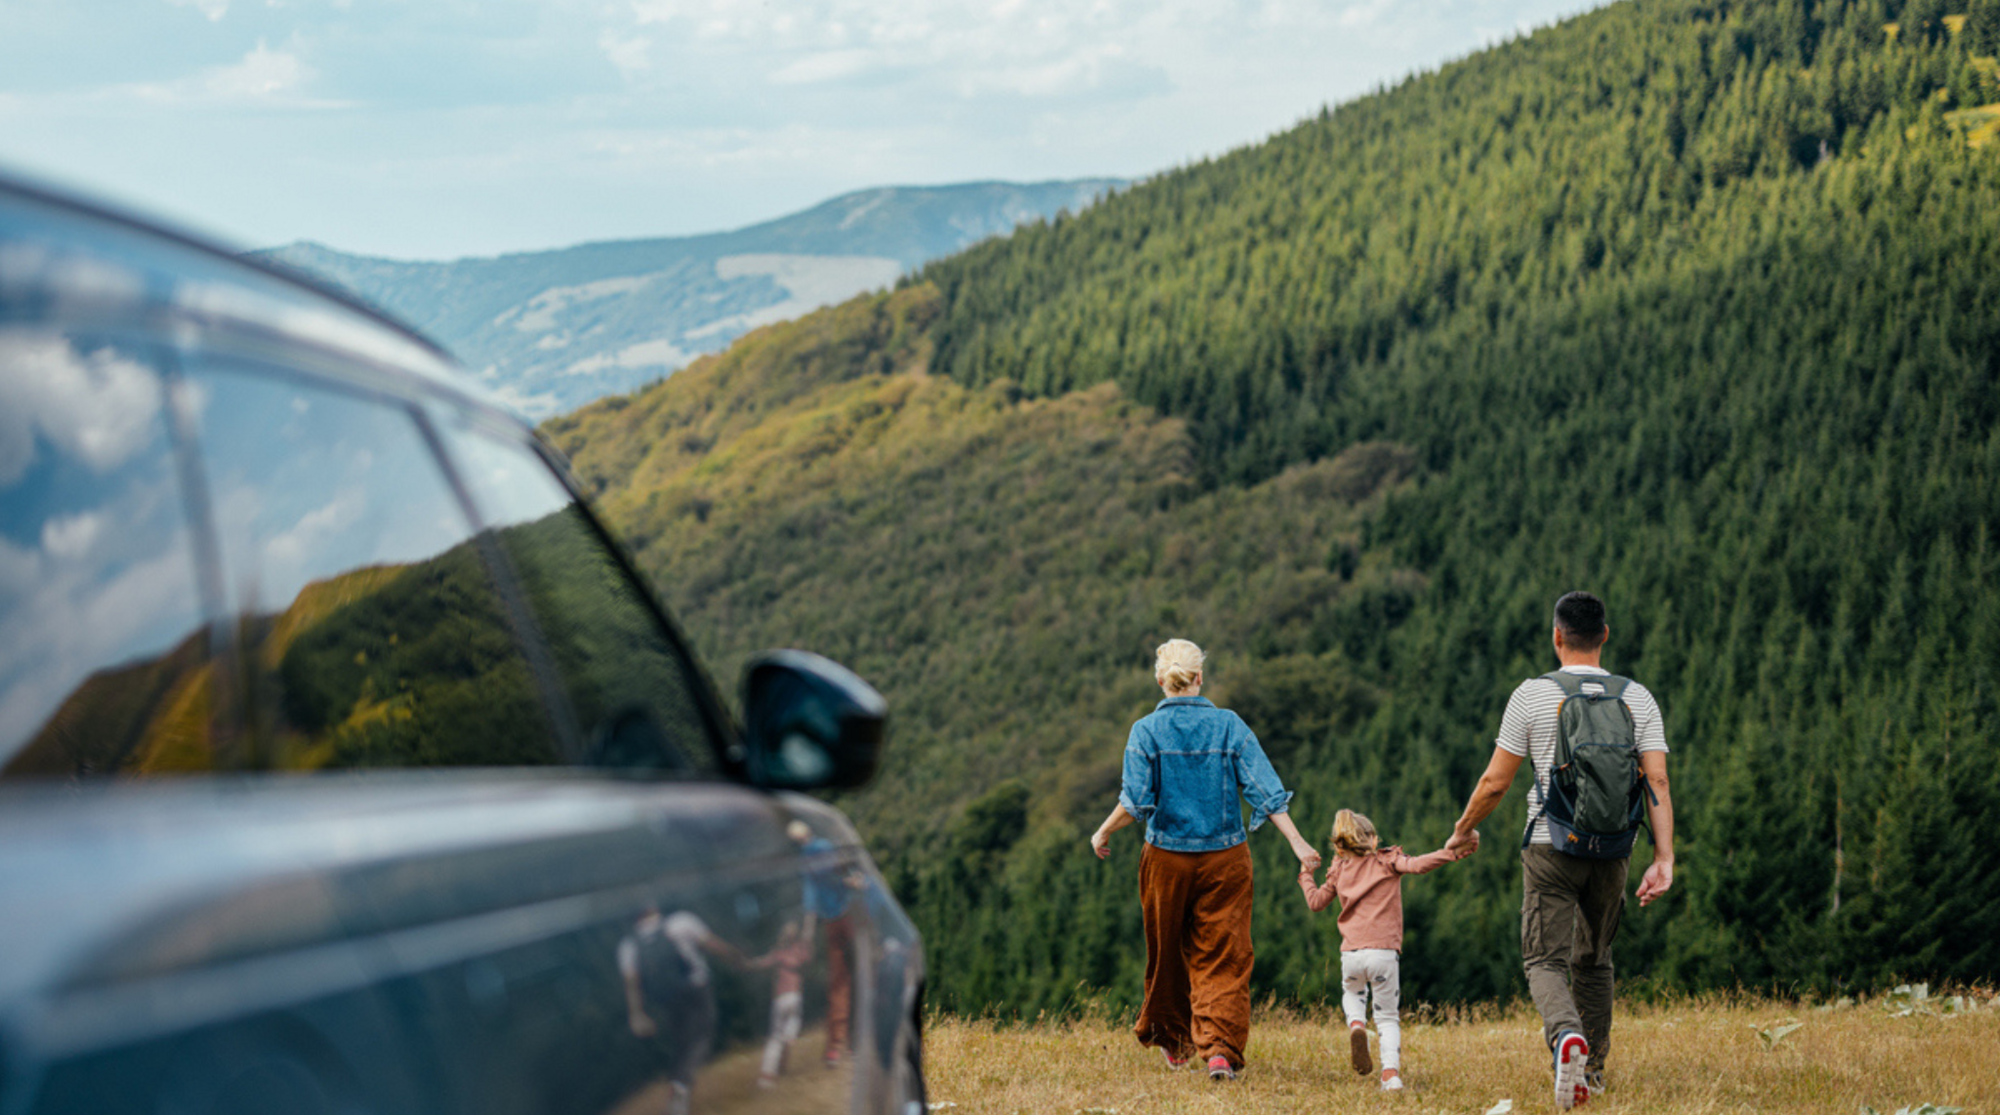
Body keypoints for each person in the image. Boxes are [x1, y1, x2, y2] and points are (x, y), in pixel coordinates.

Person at [1444, 591, 1675, 1110]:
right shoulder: (1638, 698)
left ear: (1556, 636)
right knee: (1595, 959)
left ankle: (1566, 1036)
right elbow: (1656, 777)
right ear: (1605, 636)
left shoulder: (1531, 695)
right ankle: (1590, 1071)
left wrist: (1462, 830)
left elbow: (1495, 783)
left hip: (1551, 844)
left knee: (1543, 960)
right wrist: (1664, 858)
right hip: (1615, 847)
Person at [1090, 638, 1321, 1082]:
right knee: (1224, 954)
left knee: (1168, 951)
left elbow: (1136, 800)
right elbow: (1265, 789)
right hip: (1225, 859)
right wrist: (1298, 843)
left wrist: (1102, 830)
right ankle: (1219, 1052)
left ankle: (1175, 1042)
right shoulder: (1229, 726)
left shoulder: (1145, 731)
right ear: (1200, 678)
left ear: (1161, 681)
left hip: (1166, 860)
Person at [1297, 809, 1474, 1092]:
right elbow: (1418, 865)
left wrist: (1306, 875)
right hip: (1383, 954)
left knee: (1353, 994)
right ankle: (1390, 1076)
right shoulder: (1387, 861)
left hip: (1351, 955)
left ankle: (1356, 1024)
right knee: (1387, 1018)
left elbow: (1316, 902)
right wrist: (1450, 853)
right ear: (1370, 838)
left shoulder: (1339, 869)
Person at [618, 906, 746, 1115]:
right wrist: (734, 955)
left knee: (682, 1043)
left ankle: (678, 1098)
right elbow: (710, 943)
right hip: (696, 987)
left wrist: (637, 1014)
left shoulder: (629, 945)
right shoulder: (680, 922)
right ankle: (681, 1084)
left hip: (666, 998)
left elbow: (632, 983)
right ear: (653, 907)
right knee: (703, 1034)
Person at [790, 819, 859, 1065]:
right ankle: (849, 1044)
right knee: (855, 978)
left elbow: (811, 898)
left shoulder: (808, 857)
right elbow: (842, 872)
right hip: (847, 916)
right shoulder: (821, 848)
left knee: (840, 984)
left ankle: (837, 1047)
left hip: (835, 920)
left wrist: (808, 933)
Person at [749, 918, 812, 1088]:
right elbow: (808, 955)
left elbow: (761, 963)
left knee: (774, 1039)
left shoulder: (777, 953)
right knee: (794, 1019)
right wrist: (807, 931)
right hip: (794, 995)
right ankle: (790, 1035)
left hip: (779, 999)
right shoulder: (799, 949)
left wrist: (748, 963)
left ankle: (766, 1077)